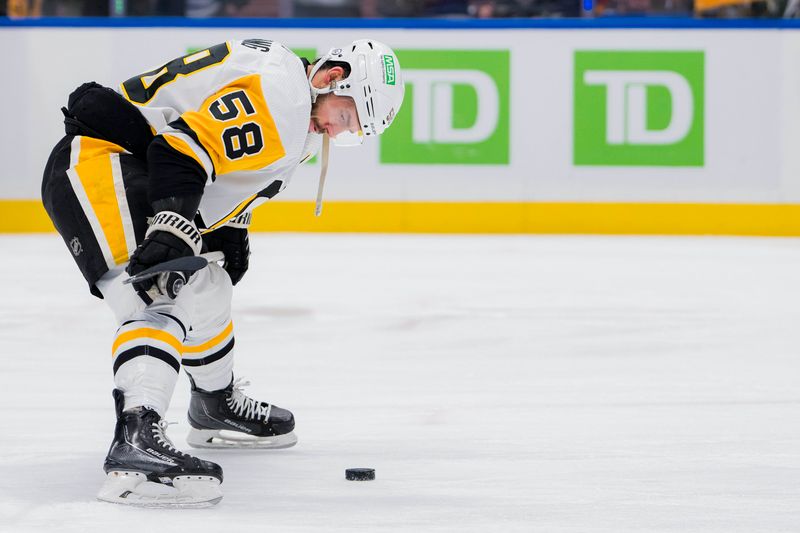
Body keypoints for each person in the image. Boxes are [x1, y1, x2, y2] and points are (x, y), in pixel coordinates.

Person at [41, 38, 404, 508]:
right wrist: (173, 220)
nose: (340, 133)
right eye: (348, 118)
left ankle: (214, 405)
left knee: (208, 285)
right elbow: (179, 150)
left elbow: (217, 157)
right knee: (159, 292)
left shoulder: (290, 92)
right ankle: (136, 438)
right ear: (333, 77)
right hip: (100, 161)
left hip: (134, 166)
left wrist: (231, 224)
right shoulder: (284, 98)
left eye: (353, 132)